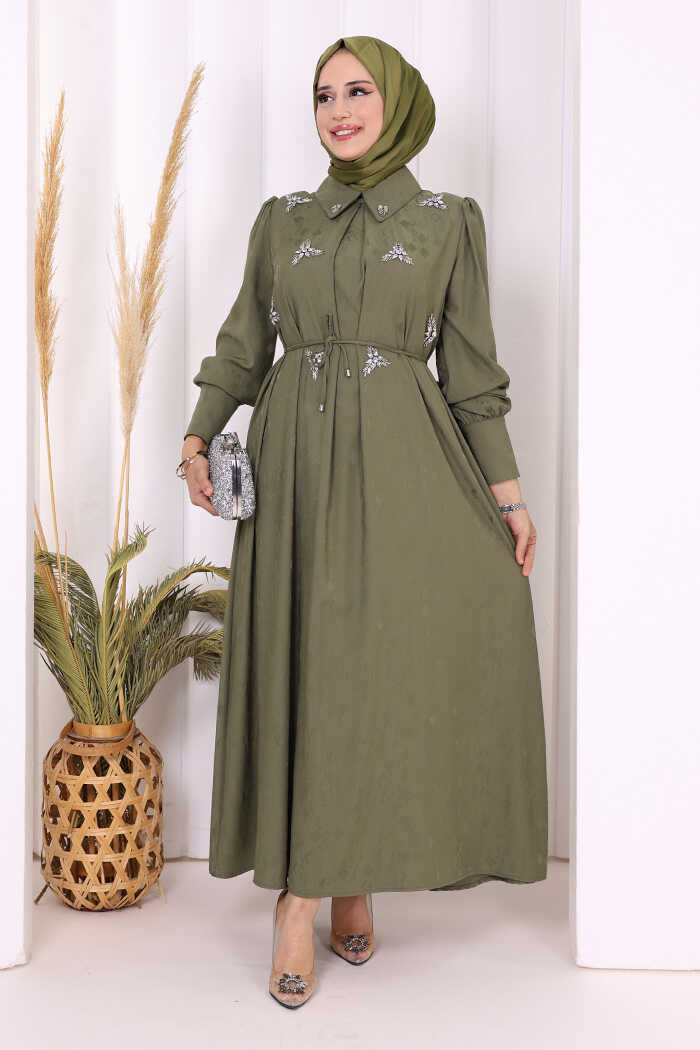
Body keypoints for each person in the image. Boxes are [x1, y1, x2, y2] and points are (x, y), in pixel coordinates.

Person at [179, 34, 548, 1009]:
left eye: (357, 91)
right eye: (322, 95)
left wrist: (509, 500)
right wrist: (198, 435)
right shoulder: (283, 220)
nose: (338, 110)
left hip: (405, 471)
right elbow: (243, 343)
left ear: (397, 103)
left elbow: (472, 375)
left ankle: (342, 877)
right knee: (318, 668)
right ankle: (308, 895)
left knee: (373, 673)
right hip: (297, 469)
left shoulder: (445, 222)